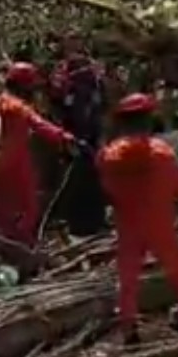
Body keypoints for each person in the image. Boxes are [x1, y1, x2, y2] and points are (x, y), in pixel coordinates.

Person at [96, 92, 178, 345]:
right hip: (160, 222)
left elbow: (107, 188)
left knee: (128, 277)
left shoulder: (108, 156)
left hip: (128, 223)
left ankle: (128, 327)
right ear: (148, 120)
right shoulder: (162, 153)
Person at [0, 63, 78, 246]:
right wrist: (64, 137)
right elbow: (39, 125)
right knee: (28, 210)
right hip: (15, 164)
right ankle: (22, 250)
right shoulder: (18, 107)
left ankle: (6, 249)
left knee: (3, 213)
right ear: (24, 86)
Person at [48, 34, 112, 236]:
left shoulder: (94, 71)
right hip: (72, 134)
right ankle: (78, 223)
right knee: (75, 178)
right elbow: (55, 102)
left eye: (77, 39)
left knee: (94, 176)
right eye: (70, 40)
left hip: (92, 133)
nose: (74, 44)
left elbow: (104, 101)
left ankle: (95, 221)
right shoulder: (61, 73)